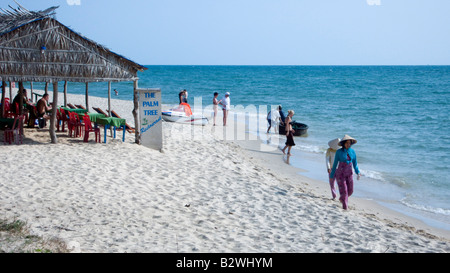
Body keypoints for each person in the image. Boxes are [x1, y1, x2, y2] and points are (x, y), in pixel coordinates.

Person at [329, 135, 361, 210]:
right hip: (340, 174)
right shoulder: (338, 152)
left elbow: (355, 164)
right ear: (343, 143)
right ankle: (345, 208)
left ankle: (342, 198)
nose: (348, 144)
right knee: (345, 191)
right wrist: (331, 176)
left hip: (349, 174)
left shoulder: (352, 152)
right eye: (347, 143)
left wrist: (358, 172)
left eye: (349, 143)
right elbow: (335, 164)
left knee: (350, 191)